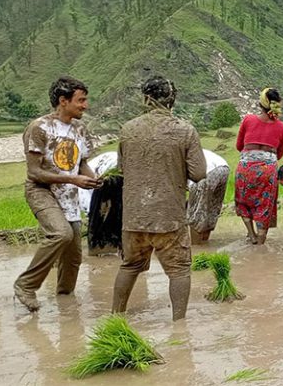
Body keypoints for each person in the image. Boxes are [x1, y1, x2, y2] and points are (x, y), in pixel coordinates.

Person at [111, 76, 206, 321]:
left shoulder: (127, 129)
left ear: (146, 98)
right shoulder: (185, 131)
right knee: (179, 270)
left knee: (130, 266)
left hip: (134, 216)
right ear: (172, 100)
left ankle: (115, 318)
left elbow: (121, 168)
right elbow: (199, 173)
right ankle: (179, 326)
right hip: (168, 216)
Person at [13, 77, 100, 312]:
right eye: (81, 100)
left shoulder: (80, 129)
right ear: (63, 101)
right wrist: (73, 179)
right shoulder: (39, 128)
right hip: (41, 191)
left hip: (68, 194)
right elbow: (34, 172)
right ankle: (26, 285)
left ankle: (66, 302)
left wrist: (94, 179)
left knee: (73, 258)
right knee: (61, 234)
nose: (85, 105)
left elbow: (81, 164)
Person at [234, 88, 283, 245]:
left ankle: (251, 235)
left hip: (245, 168)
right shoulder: (282, 128)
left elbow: (239, 146)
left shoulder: (248, 120)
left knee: (243, 201)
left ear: (260, 104)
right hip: (267, 171)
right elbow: (279, 154)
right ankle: (261, 241)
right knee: (264, 206)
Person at [186, 149, 230, 244]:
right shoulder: (188, 149)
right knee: (212, 208)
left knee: (195, 212)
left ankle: (196, 246)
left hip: (206, 171)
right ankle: (204, 241)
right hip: (223, 167)